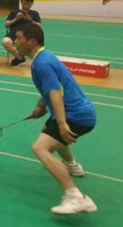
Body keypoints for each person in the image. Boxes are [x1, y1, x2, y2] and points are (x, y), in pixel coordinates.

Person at [15, 23, 97, 214]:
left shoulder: (42, 63)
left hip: (76, 115)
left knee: (40, 148)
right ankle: (72, 166)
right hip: (80, 111)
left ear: (32, 41)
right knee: (48, 131)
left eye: (18, 38)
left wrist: (61, 123)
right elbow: (49, 89)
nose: (15, 42)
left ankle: (75, 197)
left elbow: (55, 92)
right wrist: (41, 106)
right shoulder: (43, 57)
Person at [3, 0, 43, 67]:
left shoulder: (34, 13)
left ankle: (38, 62)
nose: (26, 6)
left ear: (32, 4)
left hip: (28, 36)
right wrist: (16, 19)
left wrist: (30, 20)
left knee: (34, 45)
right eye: (24, 4)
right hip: (14, 34)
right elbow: (6, 24)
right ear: (21, 2)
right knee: (5, 42)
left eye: (28, 4)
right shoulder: (14, 12)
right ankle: (20, 58)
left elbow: (39, 27)